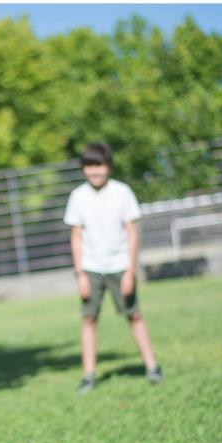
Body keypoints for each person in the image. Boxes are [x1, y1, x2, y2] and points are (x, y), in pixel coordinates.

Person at [63, 142, 162, 394]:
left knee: (134, 314)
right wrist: (80, 274)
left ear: (108, 166)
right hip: (91, 267)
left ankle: (152, 366)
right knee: (89, 319)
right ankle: (88, 375)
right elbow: (76, 236)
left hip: (120, 266)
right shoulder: (78, 196)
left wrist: (130, 271)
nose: (94, 171)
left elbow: (132, 233)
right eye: (89, 166)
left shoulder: (122, 192)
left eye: (99, 166)